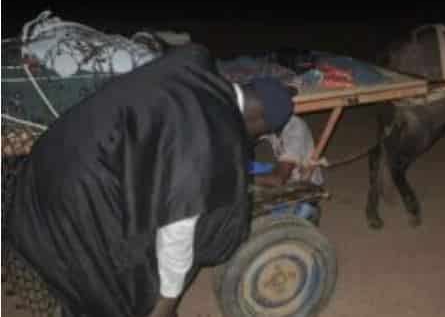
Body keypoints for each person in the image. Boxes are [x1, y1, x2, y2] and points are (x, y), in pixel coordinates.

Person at [5, 43, 295, 317]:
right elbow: (177, 231)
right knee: (210, 221)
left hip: (46, 158)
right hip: (75, 193)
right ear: (259, 120)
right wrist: (167, 303)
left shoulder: (193, 72)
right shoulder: (206, 136)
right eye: (259, 134)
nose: (254, 139)